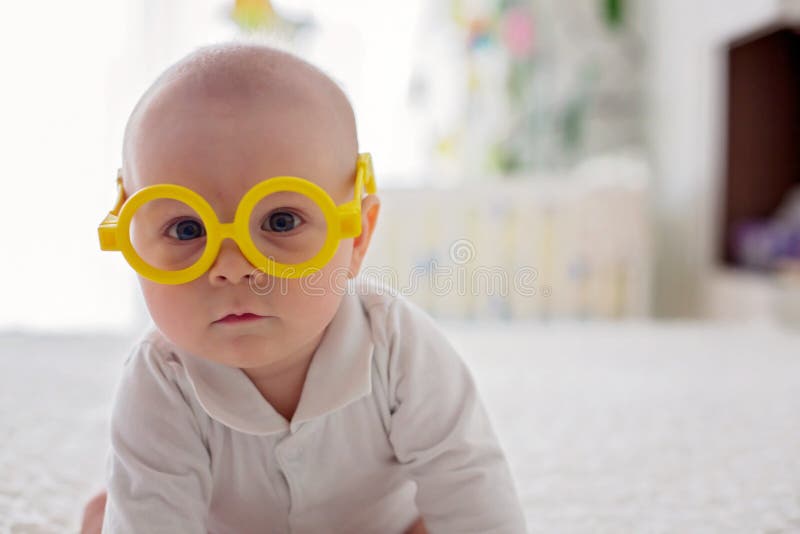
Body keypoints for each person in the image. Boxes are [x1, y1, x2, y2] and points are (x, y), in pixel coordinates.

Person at [84, 41, 526, 533]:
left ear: (355, 236)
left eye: (279, 220)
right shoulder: (161, 379)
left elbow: (469, 483)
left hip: (383, 527)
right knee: (112, 514)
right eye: (188, 230)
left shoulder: (397, 345)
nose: (232, 268)